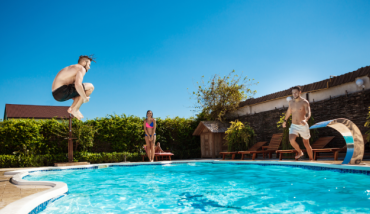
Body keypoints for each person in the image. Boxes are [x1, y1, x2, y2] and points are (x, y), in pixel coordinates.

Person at [51, 55, 96, 120]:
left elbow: (74, 88)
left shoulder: (71, 68)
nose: (89, 67)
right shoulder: (81, 68)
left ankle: (72, 109)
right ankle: (75, 109)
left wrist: (78, 97)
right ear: (84, 62)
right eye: (89, 65)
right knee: (90, 87)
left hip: (56, 94)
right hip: (62, 90)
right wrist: (84, 98)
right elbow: (78, 85)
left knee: (81, 91)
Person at [282, 86, 313, 160]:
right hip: (294, 125)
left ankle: (312, 160)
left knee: (306, 144)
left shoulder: (304, 102)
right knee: (291, 140)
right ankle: (300, 152)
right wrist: (285, 121)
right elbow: (289, 111)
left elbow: (309, 113)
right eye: (293, 93)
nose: (294, 94)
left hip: (303, 125)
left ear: (300, 92)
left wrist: (305, 120)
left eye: (296, 92)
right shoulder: (291, 102)